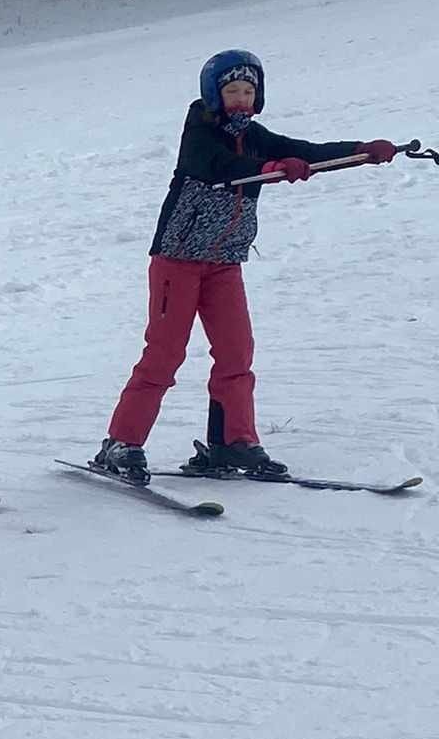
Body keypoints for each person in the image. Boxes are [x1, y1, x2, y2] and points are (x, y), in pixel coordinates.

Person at [93, 50, 398, 484]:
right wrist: (269, 168)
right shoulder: (199, 133)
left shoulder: (255, 135)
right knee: (165, 354)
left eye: (248, 91)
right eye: (232, 91)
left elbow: (304, 152)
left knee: (237, 353)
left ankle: (233, 441)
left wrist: (361, 151)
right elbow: (220, 166)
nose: (241, 99)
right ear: (213, 95)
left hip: (225, 262)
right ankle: (121, 443)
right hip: (177, 260)